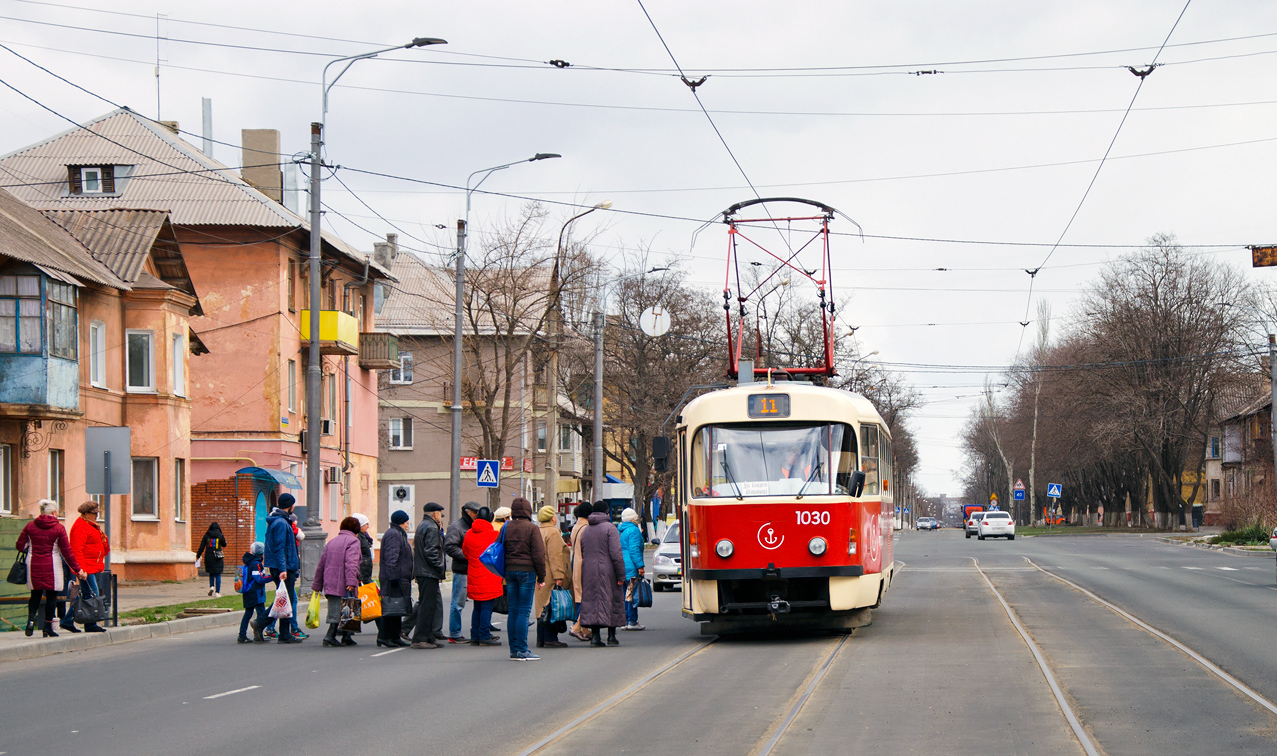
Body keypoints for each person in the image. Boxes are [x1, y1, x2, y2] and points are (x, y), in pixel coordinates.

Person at [15, 499, 86, 637]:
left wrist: (31, 547)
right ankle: (47, 627)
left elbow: (20, 546)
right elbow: (67, 553)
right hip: (52, 565)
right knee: (51, 595)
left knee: (35, 594)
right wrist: (78, 570)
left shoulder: (30, 526)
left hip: (33, 564)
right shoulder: (59, 528)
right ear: (54, 512)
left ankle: (30, 621)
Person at [500, 497, 546, 661]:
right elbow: (539, 555)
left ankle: (514, 650)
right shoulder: (532, 528)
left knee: (513, 611)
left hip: (509, 572)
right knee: (524, 612)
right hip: (527, 572)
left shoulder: (506, 527)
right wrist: (542, 576)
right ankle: (522, 649)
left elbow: (500, 548)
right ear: (527, 510)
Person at [577, 500, 625, 647]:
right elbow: (616, 553)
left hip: (589, 570)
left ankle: (595, 637)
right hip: (608, 569)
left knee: (592, 602)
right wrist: (621, 575)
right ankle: (611, 636)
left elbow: (583, 550)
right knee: (612, 600)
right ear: (606, 512)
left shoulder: (586, 530)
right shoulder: (610, 528)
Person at [313, 517, 362, 648]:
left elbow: (321, 564)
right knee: (346, 608)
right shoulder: (353, 541)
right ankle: (330, 636)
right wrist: (352, 580)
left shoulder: (332, 542)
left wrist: (317, 584)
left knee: (338, 608)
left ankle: (346, 636)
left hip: (330, 581)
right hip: (344, 582)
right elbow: (351, 563)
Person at [262, 493, 302, 643]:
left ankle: (279, 631)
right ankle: (267, 626)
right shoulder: (280, 523)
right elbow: (279, 548)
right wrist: (283, 569)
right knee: (285, 600)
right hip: (283, 567)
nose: (294, 507)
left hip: (284, 566)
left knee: (284, 599)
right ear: (290, 505)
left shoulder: (282, 521)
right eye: (293, 504)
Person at [461, 507, 502, 646]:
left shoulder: (469, 534)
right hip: (489, 574)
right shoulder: (494, 534)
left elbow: (465, 552)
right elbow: (499, 554)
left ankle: (475, 635)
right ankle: (484, 635)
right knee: (486, 607)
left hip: (474, 574)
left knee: (477, 606)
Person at [66, 500, 109, 633]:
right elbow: (76, 550)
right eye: (93, 513)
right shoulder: (81, 526)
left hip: (92, 566)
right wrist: (80, 570)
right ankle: (88, 624)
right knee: (93, 595)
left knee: (88, 596)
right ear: (85, 513)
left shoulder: (91, 525)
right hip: (86, 568)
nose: (96, 516)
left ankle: (69, 621)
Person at [442, 500, 480, 643]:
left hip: (472, 569)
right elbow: (450, 547)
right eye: (474, 512)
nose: (477, 515)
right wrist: (468, 556)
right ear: (467, 512)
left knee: (472, 601)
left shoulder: (472, 526)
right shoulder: (457, 527)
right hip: (462, 570)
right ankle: (455, 633)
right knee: (458, 603)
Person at [533, 505, 571, 648]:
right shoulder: (553, 532)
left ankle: (541, 638)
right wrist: (559, 576)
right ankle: (550, 638)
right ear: (552, 518)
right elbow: (555, 556)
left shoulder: (537, 531)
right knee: (553, 605)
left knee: (541, 607)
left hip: (540, 574)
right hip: (550, 574)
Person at [411, 502, 446, 649]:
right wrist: (439, 568)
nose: (440, 517)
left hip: (423, 570)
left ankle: (429, 637)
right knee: (427, 607)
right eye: (439, 513)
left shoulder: (423, 525)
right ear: (435, 514)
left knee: (428, 605)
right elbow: (431, 551)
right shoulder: (431, 527)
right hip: (428, 572)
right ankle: (420, 638)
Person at [377, 509, 413, 648]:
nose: (408, 524)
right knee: (391, 609)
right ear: (401, 522)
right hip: (394, 579)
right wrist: (393, 578)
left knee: (397, 609)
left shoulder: (398, 533)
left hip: (399, 578)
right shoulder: (393, 535)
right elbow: (392, 557)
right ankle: (384, 637)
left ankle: (394, 636)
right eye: (406, 522)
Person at [568, 501, 593, 641]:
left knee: (580, 597)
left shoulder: (576, 527)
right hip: (584, 565)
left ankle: (584, 629)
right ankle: (577, 627)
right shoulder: (586, 528)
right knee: (587, 598)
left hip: (575, 564)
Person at [618, 507, 646, 631]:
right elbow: (634, 550)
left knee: (626, 593)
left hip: (622, 565)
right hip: (631, 566)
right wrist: (640, 566)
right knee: (631, 594)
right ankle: (632, 621)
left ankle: (625, 620)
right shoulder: (634, 531)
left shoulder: (622, 531)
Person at [237, 542, 269, 643]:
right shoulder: (256, 564)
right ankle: (258, 635)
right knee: (261, 615)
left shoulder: (249, 562)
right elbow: (259, 579)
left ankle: (242, 635)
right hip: (256, 593)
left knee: (248, 613)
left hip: (248, 592)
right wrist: (273, 577)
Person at [195, 521, 227, 597]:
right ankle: (217, 592)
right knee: (218, 574)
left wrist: (198, 556)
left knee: (211, 573)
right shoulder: (220, 535)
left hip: (208, 557)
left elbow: (201, 547)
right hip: (218, 557)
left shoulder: (206, 535)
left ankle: (211, 586)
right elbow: (224, 545)